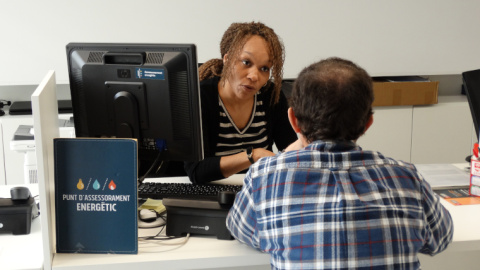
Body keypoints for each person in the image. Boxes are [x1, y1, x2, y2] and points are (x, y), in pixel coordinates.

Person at [226, 57, 454, 270]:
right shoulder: (406, 177)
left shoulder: (265, 178)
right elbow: (440, 239)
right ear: (368, 123)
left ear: (294, 120)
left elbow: (243, 231)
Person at [184, 22, 297, 184]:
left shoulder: (271, 94)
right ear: (227, 59)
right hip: (212, 191)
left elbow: (289, 150)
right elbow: (197, 171)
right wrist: (253, 155)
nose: (254, 76)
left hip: (259, 190)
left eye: (264, 68)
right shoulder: (201, 97)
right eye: (246, 62)